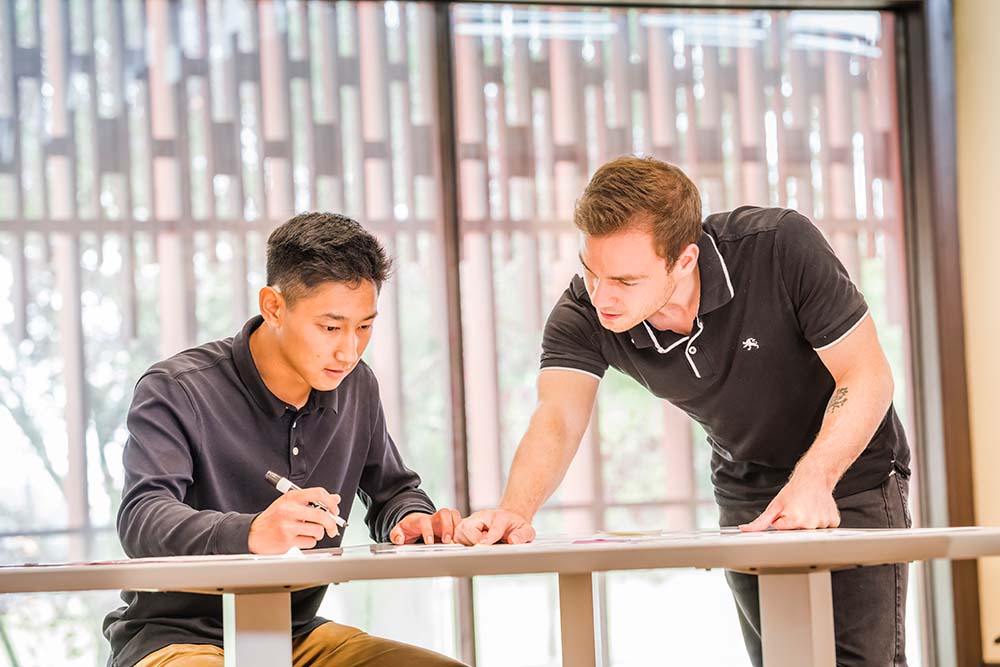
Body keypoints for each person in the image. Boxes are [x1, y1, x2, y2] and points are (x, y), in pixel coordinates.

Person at [456, 156, 911, 666]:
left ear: (685, 260)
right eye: (591, 271)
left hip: (851, 473)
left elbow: (867, 375)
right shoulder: (584, 312)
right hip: (747, 487)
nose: (602, 296)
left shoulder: (779, 247)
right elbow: (558, 417)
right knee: (786, 660)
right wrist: (515, 511)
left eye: (626, 280)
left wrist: (815, 479)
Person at [104, 212, 466, 667]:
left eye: (365, 327)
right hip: (175, 638)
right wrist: (252, 531)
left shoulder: (355, 385)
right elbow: (142, 518)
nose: (349, 351)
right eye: (331, 328)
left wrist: (412, 519)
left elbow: (394, 492)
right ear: (274, 307)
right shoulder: (177, 388)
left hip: (293, 633)